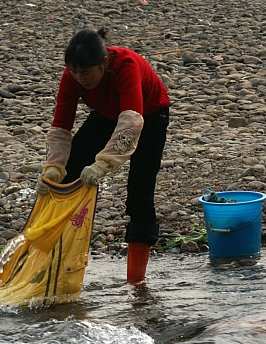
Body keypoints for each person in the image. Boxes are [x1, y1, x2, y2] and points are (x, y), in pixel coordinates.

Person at [36, 27, 170, 284]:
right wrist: (53, 168)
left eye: (85, 72)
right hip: (107, 114)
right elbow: (61, 126)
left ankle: (136, 283)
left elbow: (131, 122)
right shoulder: (72, 75)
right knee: (68, 174)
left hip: (150, 116)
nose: (79, 78)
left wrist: (103, 164)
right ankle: (52, 260)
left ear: (104, 63)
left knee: (140, 193)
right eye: (74, 71)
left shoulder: (126, 65)